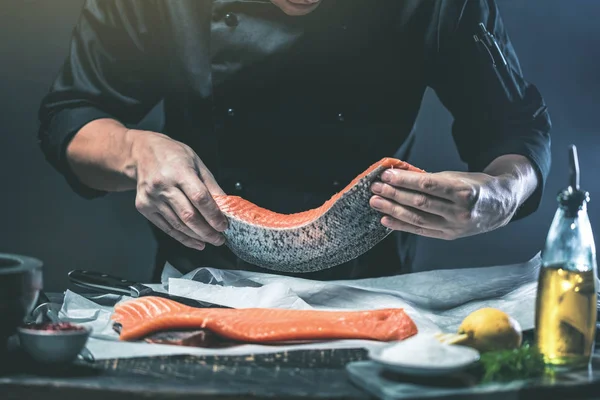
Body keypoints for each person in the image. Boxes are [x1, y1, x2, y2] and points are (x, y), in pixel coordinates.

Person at [37, 0, 551, 281]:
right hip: (203, 285)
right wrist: (134, 152)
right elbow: (71, 115)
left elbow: (514, 128)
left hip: (370, 289)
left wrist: (500, 194)